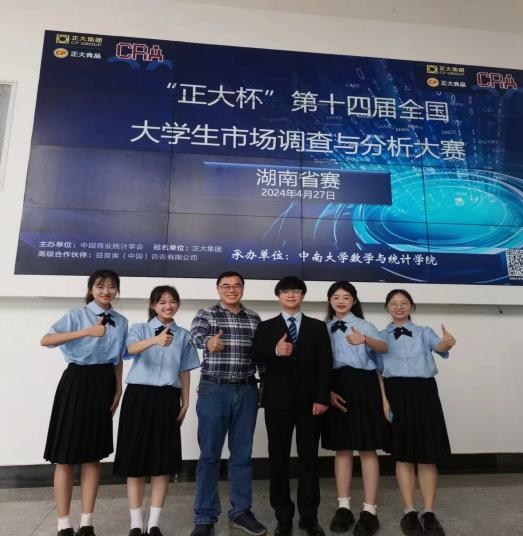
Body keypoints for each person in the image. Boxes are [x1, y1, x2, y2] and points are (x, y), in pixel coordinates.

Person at [41, 269, 128, 536]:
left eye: (111, 286)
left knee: (93, 455)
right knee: (65, 456)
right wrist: (86, 332)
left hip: (104, 383)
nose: (106, 291)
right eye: (100, 286)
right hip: (77, 381)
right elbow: (46, 340)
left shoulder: (121, 321)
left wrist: (118, 388)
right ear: (91, 289)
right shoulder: (76, 315)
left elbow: (118, 358)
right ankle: (63, 524)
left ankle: (87, 522)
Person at [114, 285, 200, 536]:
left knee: (162, 462)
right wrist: (155, 339)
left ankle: (153, 524)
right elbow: (128, 351)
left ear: (178, 305)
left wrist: (185, 401)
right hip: (138, 397)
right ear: (153, 305)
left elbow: (185, 370)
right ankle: (135, 524)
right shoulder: (139, 329)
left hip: (167, 398)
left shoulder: (183, 335)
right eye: (162, 302)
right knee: (135, 460)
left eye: (172, 301)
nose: (167, 306)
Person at [253, 276, 332, 536]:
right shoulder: (266, 327)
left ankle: (309, 516)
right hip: (277, 402)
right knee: (278, 460)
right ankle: (283, 517)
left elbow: (325, 365)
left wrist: (322, 398)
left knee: (309, 460)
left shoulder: (317, 327)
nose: (290, 295)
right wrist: (275, 351)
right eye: (285, 291)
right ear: (278, 295)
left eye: (296, 291)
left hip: (311, 404)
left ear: (302, 296)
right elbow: (254, 354)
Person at [189, 271, 266, 536]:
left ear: (243, 288)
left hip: (247, 390)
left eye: (236, 286)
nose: (231, 290)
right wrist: (208, 341)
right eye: (226, 286)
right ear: (218, 288)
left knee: (242, 455)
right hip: (214, 390)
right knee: (209, 455)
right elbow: (194, 336)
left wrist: (264, 383)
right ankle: (205, 517)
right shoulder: (207, 314)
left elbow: (260, 355)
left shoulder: (254, 318)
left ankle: (241, 512)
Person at [376, 289, 456, 536]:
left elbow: (440, 346)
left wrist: (448, 342)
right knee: (403, 455)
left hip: (424, 393)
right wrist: (384, 402)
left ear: (411, 306)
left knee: (427, 454)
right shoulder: (380, 337)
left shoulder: (424, 332)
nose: (399, 307)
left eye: (404, 303)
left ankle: (429, 512)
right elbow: (378, 372)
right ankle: (409, 511)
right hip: (395, 393)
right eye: (393, 303)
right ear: (387, 307)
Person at [321, 281, 389, 536]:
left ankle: (370, 510)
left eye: (346, 297)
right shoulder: (322, 328)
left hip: (364, 386)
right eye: (336, 297)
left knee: (367, 447)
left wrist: (365, 339)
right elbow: (318, 364)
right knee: (342, 448)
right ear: (330, 301)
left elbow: (385, 349)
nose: (340, 301)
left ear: (354, 301)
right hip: (335, 386)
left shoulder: (365, 325)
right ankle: (343, 508)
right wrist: (326, 391)